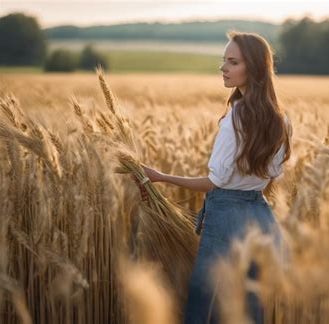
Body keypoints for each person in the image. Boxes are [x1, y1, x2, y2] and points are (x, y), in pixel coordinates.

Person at [134, 30, 292, 324]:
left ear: (255, 68)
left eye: (232, 62)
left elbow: (215, 182)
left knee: (206, 306)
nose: (223, 68)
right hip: (261, 218)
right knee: (248, 308)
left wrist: (160, 176)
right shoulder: (281, 118)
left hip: (225, 218)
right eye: (224, 61)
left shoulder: (236, 117)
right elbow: (272, 177)